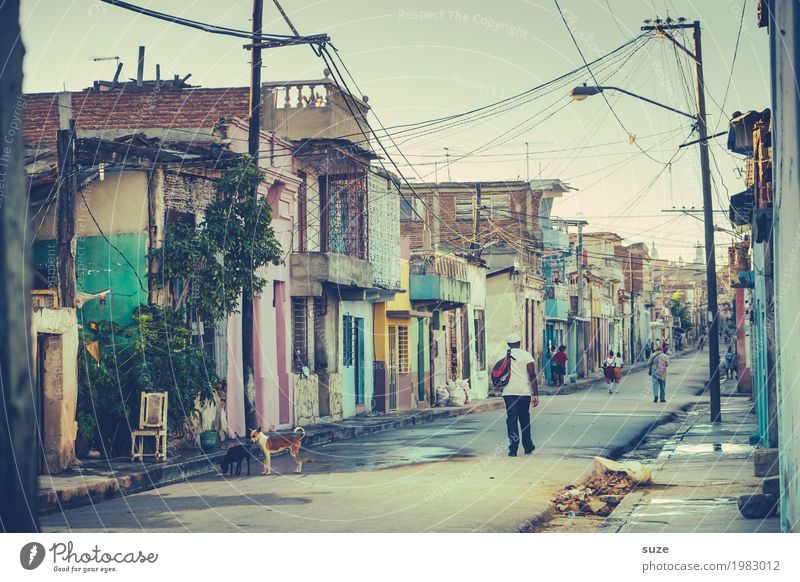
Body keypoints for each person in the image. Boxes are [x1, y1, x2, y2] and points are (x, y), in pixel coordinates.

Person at [496, 333, 539, 457]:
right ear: (519, 343)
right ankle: (528, 446)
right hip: (524, 392)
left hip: (508, 393)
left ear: (508, 344)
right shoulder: (526, 355)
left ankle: (513, 449)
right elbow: (532, 374)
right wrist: (535, 394)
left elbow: (497, 372)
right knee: (524, 418)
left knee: (512, 419)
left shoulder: (501, 355)